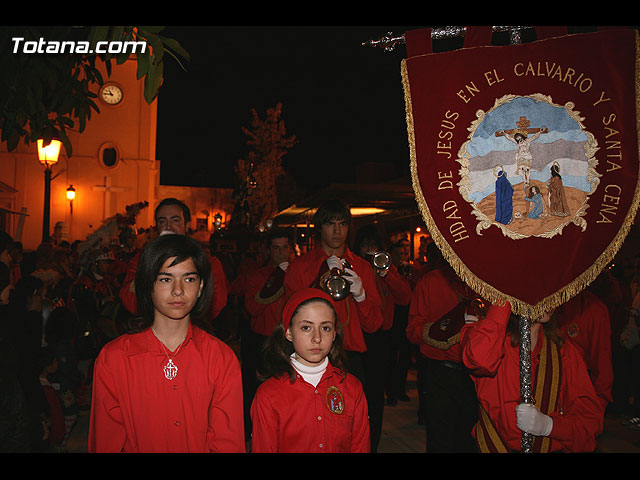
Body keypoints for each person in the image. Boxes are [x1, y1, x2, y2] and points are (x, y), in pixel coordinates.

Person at [88, 234, 245, 453]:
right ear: (147, 286)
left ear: (201, 287)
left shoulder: (221, 359)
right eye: (165, 279)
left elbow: (227, 443)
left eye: (189, 279)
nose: (178, 290)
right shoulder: (113, 359)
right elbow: (107, 441)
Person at [460, 301, 603, 452]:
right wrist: (505, 297)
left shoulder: (563, 351)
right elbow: (480, 359)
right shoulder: (489, 340)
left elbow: (589, 422)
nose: (550, 299)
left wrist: (550, 426)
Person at [250, 288, 370, 453]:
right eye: (306, 327)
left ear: (335, 333)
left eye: (325, 328)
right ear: (289, 332)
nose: (317, 338)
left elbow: (360, 446)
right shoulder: (269, 394)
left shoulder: (352, 388)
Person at [284, 199, 384, 382]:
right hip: (311, 354)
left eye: (342, 224)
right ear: (320, 227)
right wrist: (319, 280)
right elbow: (290, 317)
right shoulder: (300, 267)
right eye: (330, 224)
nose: (337, 231)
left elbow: (374, 324)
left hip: (351, 355)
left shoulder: (362, 267)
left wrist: (361, 297)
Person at [406, 244, 481, 452]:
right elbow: (412, 331)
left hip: (477, 376)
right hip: (442, 372)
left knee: (470, 437)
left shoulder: (482, 282)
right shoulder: (430, 282)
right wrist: (443, 330)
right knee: (441, 438)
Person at [119, 198, 228, 328]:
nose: (168, 226)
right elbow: (129, 300)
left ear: (187, 225)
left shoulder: (206, 261)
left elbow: (216, 303)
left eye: (175, 220)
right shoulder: (141, 259)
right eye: (162, 221)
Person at [354, 225, 412, 452]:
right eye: (365, 246)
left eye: (373, 246)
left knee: (375, 397)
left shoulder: (384, 268)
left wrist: (387, 273)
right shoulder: (354, 268)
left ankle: (372, 444)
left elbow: (405, 297)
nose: (370, 250)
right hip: (358, 339)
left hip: (380, 340)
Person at [241, 228, 292, 439]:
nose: (281, 253)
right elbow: (252, 308)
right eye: (276, 248)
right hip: (262, 342)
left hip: (290, 343)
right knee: (258, 392)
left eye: (285, 248)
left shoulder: (298, 273)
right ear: (269, 250)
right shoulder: (257, 276)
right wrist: (276, 279)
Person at [556, 290, 613, 416]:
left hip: (578, 397)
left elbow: (602, 365)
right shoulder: (546, 304)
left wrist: (597, 409)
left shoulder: (593, 310)